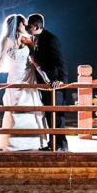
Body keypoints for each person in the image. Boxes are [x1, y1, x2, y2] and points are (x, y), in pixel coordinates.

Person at [0, 13, 49, 152]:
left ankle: (32, 142)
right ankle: (13, 143)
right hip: (14, 78)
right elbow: (0, 62)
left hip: (28, 76)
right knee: (15, 108)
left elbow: (34, 60)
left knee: (30, 107)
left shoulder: (28, 40)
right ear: (16, 25)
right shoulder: (7, 40)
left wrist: (45, 77)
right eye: (23, 23)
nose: (26, 25)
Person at [26, 13, 69, 151]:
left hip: (55, 83)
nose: (27, 28)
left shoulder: (50, 39)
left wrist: (61, 80)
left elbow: (60, 60)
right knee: (49, 115)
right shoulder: (35, 39)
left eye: (30, 26)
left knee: (57, 116)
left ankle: (61, 145)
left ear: (37, 26)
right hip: (45, 84)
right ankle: (53, 144)